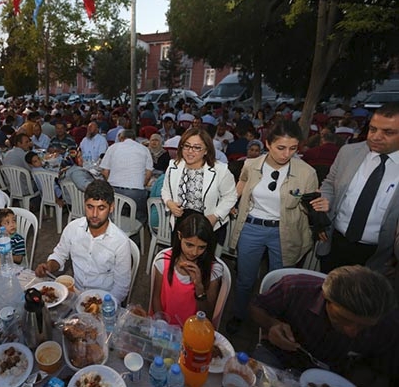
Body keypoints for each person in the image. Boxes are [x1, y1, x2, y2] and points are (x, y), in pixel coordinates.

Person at [226, 120, 319, 334]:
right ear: (268, 144)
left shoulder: (307, 173)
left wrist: (317, 209)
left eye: (293, 148)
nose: (287, 154)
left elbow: (310, 205)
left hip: (284, 231)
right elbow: (241, 183)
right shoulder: (251, 164)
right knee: (245, 279)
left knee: (279, 281)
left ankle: (272, 324)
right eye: (281, 147)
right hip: (252, 227)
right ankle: (239, 315)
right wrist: (231, 201)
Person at [250, 266, 399, 386]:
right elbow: (257, 307)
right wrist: (272, 324)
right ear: (326, 298)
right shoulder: (296, 288)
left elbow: (381, 370)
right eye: (343, 319)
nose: (352, 332)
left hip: (337, 376)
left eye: (364, 327)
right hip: (279, 357)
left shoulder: (388, 325)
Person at [313, 103, 399, 275]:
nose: (376, 136)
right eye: (373, 129)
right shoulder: (348, 152)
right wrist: (324, 209)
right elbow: (330, 184)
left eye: (388, 132)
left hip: (378, 256)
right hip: (335, 243)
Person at [34, 180, 132, 302]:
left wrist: (103, 306)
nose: (94, 214)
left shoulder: (121, 242)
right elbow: (59, 255)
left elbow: (121, 287)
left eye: (101, 208)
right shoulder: (73, 228)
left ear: (111, 208)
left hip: (104, 298)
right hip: (76, 294)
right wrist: (49, 266)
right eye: (90, 207)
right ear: (84, 204)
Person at [161, 128, 237, 237]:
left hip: (207, 222)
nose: (190, 151)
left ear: (206, 150)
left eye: (197, 147)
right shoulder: (174, 165)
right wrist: (170, 204)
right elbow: (165, 190)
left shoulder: (220, 170)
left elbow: (230, 196)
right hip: (180, 221)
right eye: (186, 146)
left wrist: (215, 216)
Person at [150, 213, 223, 326]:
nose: (194, 252)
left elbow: (207, 315)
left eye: (201, 247)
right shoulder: (163, 260)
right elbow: (156, 299)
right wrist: (163, 327)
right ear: (180, 236)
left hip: (193, 331)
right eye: (189, 245)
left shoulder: (214, 270)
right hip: (163, 327)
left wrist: (199, 287)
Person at [100, 129, 153, 224]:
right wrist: (142, 184)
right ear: (134, 139)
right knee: (139, 217)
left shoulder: (113, 147)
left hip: (115, 192)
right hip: (136, 193)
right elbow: (148, 174)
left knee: (116, 214)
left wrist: (111, 183)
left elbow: (105, 171)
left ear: (121, 138)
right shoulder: (144, 149)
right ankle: (136, 232)